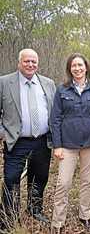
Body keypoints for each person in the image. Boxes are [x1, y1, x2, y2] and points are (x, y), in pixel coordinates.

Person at [50, 53, 90, 233]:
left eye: (80, 65)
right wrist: (57, 145)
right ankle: (57, 222)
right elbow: (55, 119)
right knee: (63, 183)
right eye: (74, 65)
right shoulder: (62, 90)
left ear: (86, 67)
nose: (77, 68)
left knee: (86, 181)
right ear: (69, 69)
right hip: (67, 145)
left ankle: (85, 215)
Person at [0, 49, 56, 229]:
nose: (30, 65)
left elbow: (54, 112)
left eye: (33, 61)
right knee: (11, 178)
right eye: (27, 61)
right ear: (19, 63)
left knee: (39, 177)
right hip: (16, 141)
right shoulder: (4, 82)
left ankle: (35, 208)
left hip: (42, 141)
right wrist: (3, 132)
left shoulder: (48, 83)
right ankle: (9, 216)